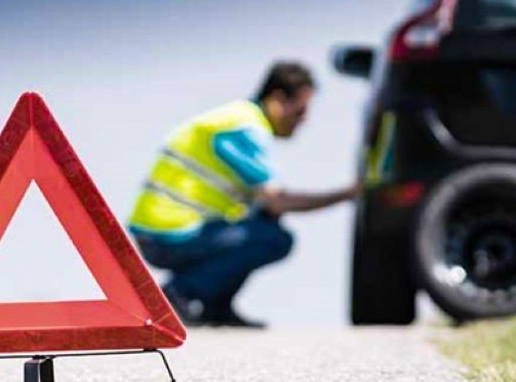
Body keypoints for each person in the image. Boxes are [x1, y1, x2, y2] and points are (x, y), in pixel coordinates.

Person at [128, 61, 359, 328]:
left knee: (265, 222)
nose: (304, 120)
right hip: (169, 235)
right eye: (300, 110)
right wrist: (348, 194)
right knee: (273, 238)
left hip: (167, 230)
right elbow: (278, 201)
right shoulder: (243, 128)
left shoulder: (237, 118)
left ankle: (215, 305)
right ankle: (180, 293)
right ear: (278, 100)